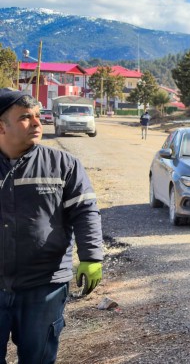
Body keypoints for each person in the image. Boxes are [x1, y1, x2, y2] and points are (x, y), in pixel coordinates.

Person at [0, 89, 103, 364]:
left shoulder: (63, 165)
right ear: (1, 126)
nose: (37, 123)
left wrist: (92, 256)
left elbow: (85, 211)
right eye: (25, 117)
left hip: (44, 285)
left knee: (39, 358)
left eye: (38, 115)